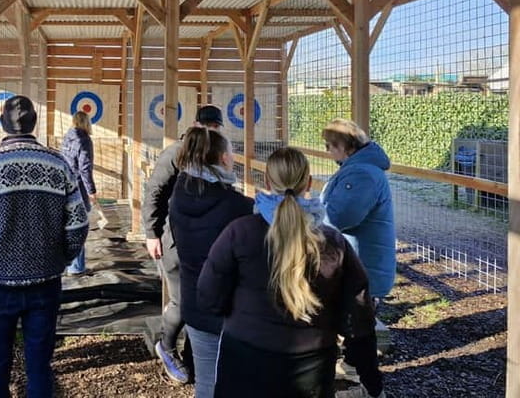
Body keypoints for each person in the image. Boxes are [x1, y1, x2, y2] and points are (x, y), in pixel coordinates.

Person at [197, 148, 385, 398]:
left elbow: (208, 298)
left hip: (244, 361)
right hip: (313, 368)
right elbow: (359, 318)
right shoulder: (333, 243)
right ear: (308, 182)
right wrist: (372, 380)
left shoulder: (239, 233)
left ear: (266, 181)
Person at [0, 95, 88, 398]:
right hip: (46, 282)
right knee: (39, 367)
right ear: (34, 124)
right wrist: (61, 258)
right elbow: (79, 224)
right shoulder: (58, 165)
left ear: (2, 125)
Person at [142, 104, 224, 385]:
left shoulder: (214, 156)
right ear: (197, 125)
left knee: (198, 301)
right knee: (183, 300)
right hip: (173, 239)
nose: (211, 132)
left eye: (214, 128)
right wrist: (151, 233)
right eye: (208, 127)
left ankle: (193, 355)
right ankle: (166, 346)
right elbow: (154, 191)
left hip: (204, 242)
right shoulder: (176, 153)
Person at [168, 127, 252, 398]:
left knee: (206, 383)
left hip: (195, 302)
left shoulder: (179, 194)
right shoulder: (237, 206)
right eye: (231, 151)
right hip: (232, 309)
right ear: (223, 158)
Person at [320, 119, 396, 304]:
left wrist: (308, 220)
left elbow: (339, 216)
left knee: (356, 325)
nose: (327, 150)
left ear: (343, 146)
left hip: (361, 267)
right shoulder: (360, 169)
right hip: (360, 264)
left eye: (329, 145)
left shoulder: (361, 174)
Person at [60, 110, 98, 276]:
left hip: (64, 186)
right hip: (78, 188)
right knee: (79, 226)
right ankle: (77, 267)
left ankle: (66, 264)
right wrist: (91, 191)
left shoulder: (67, 138)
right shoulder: (84, 140)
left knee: (67, 226)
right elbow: (84, 168)